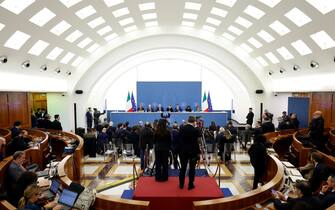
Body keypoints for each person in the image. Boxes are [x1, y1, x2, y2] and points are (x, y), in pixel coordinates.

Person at [178, 116, 201, 190]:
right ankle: (190, 184)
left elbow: (179, 139)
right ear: (194, 121)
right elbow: (199, 136)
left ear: (188, 121)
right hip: (193, 152)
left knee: (183, 168)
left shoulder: (182, 128)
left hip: (183, 151)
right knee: (192, 169)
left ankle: (181, 184)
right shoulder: (195, 129)